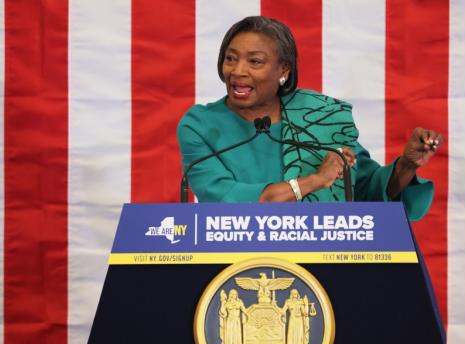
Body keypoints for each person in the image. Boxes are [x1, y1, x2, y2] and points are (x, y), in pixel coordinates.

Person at [177, 16, 443, 221]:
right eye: (230, 59)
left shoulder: (320, 117)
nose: (237, 71)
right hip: (238, 262)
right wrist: (316, 180)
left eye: (254, 62)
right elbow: (230, 203)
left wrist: (406, 166)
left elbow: (366, 191)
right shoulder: (200, 126)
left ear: (283, 70)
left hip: (322, 262)